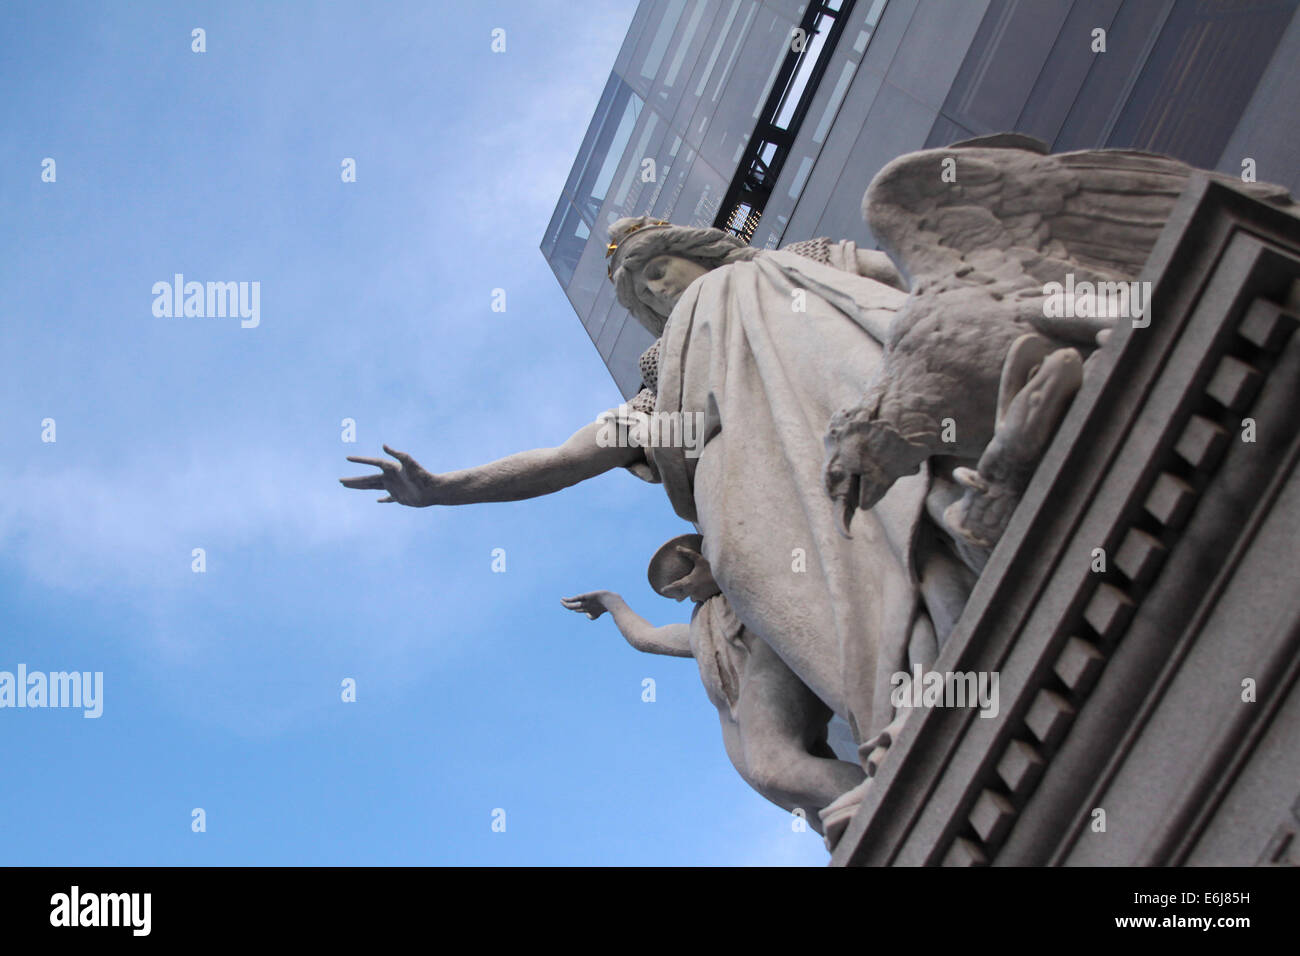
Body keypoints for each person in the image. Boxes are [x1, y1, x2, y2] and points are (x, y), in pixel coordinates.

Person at [341, 217, 974, 809]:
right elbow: (567, 458)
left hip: (852, 420)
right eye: (643, 287)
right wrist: (447, 488)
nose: (657, 286)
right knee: (792, 597)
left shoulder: (786, 269)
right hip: (755, 510)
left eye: (661, 266)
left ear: (698, 251)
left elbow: (900, 288)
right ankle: (900, 727)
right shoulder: (659, 387)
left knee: (917, 512)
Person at [561, 533, 865, 836]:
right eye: (673, 591)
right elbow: (647, 638)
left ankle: (880, 794)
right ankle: (859, 834)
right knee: (806, 803)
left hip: (772, 671)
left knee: (775, 770)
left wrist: (721, 573)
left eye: (681, 582)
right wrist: (613, 603)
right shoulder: (699, 626)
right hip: (738, 714)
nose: (680, 594)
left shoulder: (744, 589)